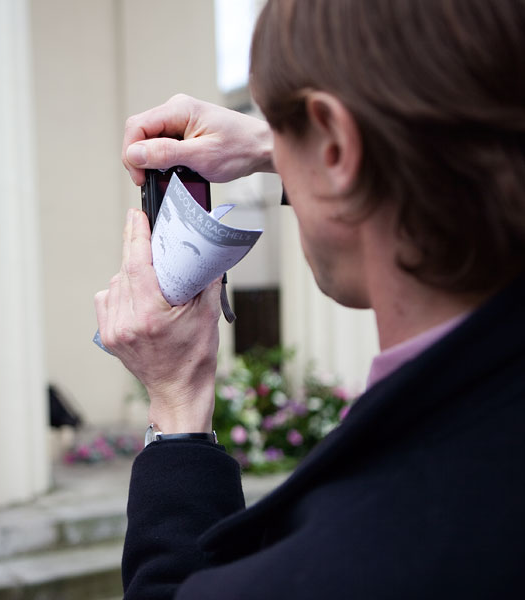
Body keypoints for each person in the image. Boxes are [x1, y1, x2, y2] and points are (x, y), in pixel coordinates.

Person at [95, 1, 525, 598]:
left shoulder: (358, 554)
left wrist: (177, 402)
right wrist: (283, 144)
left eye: (280, 129)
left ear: (335, 145)